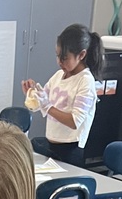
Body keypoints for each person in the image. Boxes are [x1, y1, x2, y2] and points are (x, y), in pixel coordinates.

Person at [21, 23, 103, 168]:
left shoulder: (85, 81)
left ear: (81, 55)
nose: (59, 62)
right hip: (52, 144)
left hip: (71, 149)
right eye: (57, 56)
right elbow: (39, 105)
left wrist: (48, 106)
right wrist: (31, 94)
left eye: (64, 58)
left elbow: (74, 121)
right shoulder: (59, 76)